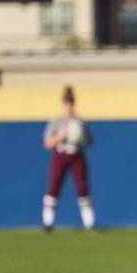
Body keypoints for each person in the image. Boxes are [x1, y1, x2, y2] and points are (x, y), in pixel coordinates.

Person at [42, 85, 96, 232]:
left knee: (82, 188)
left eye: (71, 102)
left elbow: (89, 141)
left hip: (76, 154)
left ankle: (90, 224)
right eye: (66, 102)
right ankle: (47, 223)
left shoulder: (80, 122)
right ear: (63, 103)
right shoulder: (56, 122)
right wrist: (60, 136)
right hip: (60, 154)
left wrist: (80, 137)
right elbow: (47, 143)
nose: (69, 105)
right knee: (54, 187)